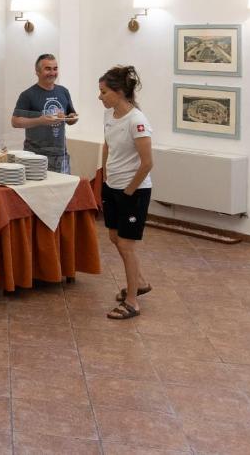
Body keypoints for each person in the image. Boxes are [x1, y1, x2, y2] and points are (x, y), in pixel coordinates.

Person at [99, 65, 153, 320]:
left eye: (104, 92)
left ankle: (132, 302)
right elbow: (107, 145)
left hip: (134, 191)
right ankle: (139, 282)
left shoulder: (137, 121)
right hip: (112, 186)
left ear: (119, 92)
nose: (100, 97)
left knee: (126, 244)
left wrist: (129, 191)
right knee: (114, 236)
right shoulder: (109, 115)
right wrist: (104, 175)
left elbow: (147, 163)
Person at [11, 53, 79, 172]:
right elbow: (15, 122)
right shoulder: (27, 95)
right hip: (34, 156)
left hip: (61, 155)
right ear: (37, 72)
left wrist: (72, 117)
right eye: (48, 69)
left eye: (55, 69)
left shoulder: (63, 91)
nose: (52, 73)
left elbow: (70, 118)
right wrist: (40, 120)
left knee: (65, 185)